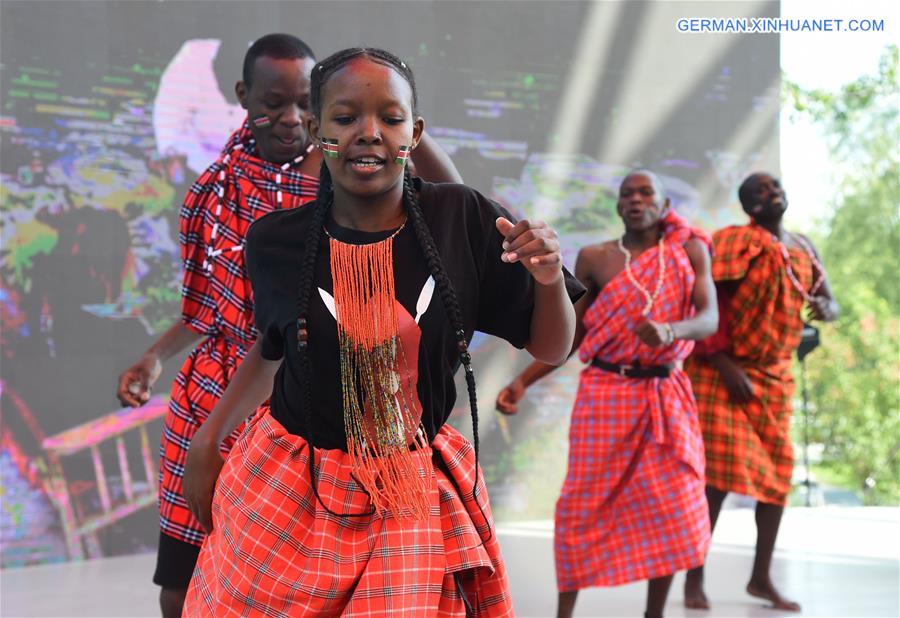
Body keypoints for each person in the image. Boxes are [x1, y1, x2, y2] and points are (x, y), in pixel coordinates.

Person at [180, 47, 583, 616]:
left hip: (409, 487)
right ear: (318, 131)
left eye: (390, 118)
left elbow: (551, 345)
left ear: (414, 133)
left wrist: (547, 279)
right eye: (345, 118)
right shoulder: (275, 241)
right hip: (292, 484)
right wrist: (206, 441)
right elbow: (276, 352)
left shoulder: (461, 218)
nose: (368, 133)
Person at [113, 34, 462, 617]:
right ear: (243, 97)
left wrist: (398, 121)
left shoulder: (346, 172)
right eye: (274, 103)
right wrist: (153, 357)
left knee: (288, 579)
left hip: (295, 393)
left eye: (306, 103)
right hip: (214, 391)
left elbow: (450, 197)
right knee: (182, 570)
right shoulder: (218, 184)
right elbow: (213, 309)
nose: (290, 118)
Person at [496, 171, 718, 618]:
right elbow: (570, 334)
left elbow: (710, 317)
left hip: (666, 391)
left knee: (671, 506)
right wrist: (523, 380)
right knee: (583, 503)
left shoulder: (689, 249)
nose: (636, 200)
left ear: (663, 202)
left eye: (646, 193)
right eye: (627, 195)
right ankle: (565, 612)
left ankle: (654, 612)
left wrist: (672, 330)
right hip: (606, 393)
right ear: (618, 207)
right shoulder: (597, 257)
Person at [683, 172, 838, 612]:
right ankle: (695, 580)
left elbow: (830, 301)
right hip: (722, 372)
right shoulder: (734, 242)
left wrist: (827, 306)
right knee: (715, 481)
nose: (773, 193)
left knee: (776, 479)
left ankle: (761, 579)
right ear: (749, 207)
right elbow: (705, 301)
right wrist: (722, 361)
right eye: (761, 192)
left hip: (774, 376)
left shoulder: (804, 246)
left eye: (775, 187)